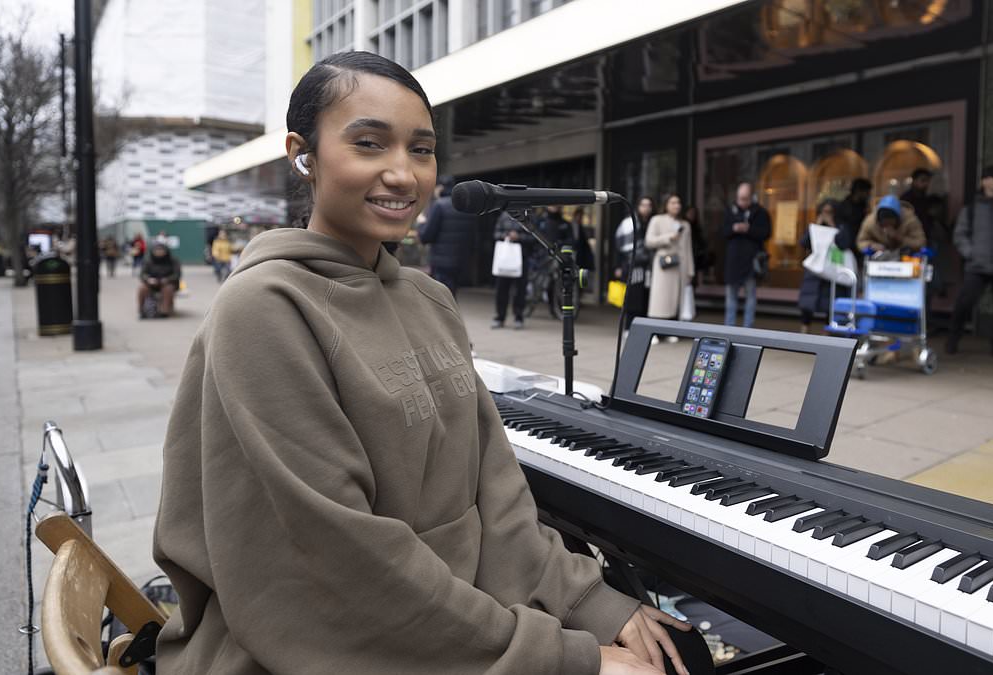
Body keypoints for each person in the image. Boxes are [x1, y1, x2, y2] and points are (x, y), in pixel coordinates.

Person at [152, 51, 689, 675]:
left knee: (683, 653)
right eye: (370, 143)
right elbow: (338, 562)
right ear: (304, 154)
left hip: (457, 621)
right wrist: (569, 658)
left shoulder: (429, 297)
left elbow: (495, 486)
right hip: (321, 648)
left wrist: (593, 602)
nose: (403, 174)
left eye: (421, 150)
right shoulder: (263, 309)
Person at [947, 165, 993, 359]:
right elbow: (960, 234)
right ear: (985, 181)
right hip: (977, 265)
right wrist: (971, 253)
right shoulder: (971, 208)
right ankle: (952, 339)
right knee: (964, 303)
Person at [418, 174, 479, 298]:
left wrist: (421, 223)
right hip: (461, 260)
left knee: (442, 298)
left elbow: (426, 236)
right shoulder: (466, 207)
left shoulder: (439, 205)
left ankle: (448, 317)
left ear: (440, 188)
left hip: (441, 262)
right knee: (451, 295)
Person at [721, 183, 771, 327]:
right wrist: (733, 228)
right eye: (740, 199)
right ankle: (729, 328)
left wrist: (749, 229)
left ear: (751, 197)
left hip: (751, 261)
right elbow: (722, 232)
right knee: (731, 296)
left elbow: (766, 233)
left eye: (746, 199)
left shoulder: (760, 212)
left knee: (751, 296)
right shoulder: (730, 211)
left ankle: (748, 328)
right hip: (733, 261)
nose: (742, 202)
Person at [646, 194, 695, 339]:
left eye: (678, 202)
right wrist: (668, 238)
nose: (676, 205)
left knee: (675, 300)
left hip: (680, 266)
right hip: (663, 265)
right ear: (666, 204)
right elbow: (649, 241)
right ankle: (654, 332)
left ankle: (671, 331)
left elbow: (688, 248)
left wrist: (690, 271)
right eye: (673, 202)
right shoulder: (657, 220)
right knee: (659, 300)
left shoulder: (685, 225)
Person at [797, 199, 845, 333]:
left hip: (831, 269)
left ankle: (827, 333)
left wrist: (832, 225)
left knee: (830, 302)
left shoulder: (840, 226)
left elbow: (844, 243)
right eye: (824, 212)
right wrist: (816, 226)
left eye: (829, 212)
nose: (826, 215)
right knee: (807, 302)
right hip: (814, 270)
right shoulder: (814, 226)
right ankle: (804, 330)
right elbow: (804, 242)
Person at [614, 196, 653, 331]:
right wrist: (618, 266)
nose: (646, 208)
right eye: (643, 205)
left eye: (649, 205)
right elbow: (620, 246)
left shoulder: (650, 222)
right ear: (638, 206)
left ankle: (641, 329)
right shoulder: (629, 222)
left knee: (644, 298)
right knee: (633, 299)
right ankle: (628, 328)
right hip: (632, 265)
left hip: (647, 267)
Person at [491, 210, 532, 329]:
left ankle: (518, 317)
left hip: (521, 259)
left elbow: (534, 238)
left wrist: (519, 237)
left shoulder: (527, 215)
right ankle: (500, 317)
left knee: (520, 290)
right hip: (505, 259)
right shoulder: (504, 216)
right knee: (501, 289)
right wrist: (506, 236)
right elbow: (496, 234)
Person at [856, 194, 926, 254]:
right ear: (878, 221)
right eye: (884, 224)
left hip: (906, 257)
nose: (887, 227)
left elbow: (921, 243)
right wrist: (872, 245)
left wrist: (899, 237)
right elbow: (861, 241)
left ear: (898, 219)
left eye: (890, 223)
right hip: (879, 258)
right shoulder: (870, 222)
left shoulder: (910, 220)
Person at [136, 242, 181, 318]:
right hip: (151, 283)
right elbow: (142, 274)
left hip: (168, 283)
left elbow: (177, 274)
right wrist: (148, 279)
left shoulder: (173, 261)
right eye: (157, 250)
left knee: (168, 289)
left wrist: (167, 279)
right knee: (142, 289)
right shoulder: (148, 261)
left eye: (161, 250)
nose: (159, 252)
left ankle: (165, 310)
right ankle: (141, 310)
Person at [835, 178, 872, 261]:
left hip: (858, 246)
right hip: (847, 246)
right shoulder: (844, 207)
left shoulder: (863, 206)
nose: (868, 195)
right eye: (867, 192)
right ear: (859, 191)